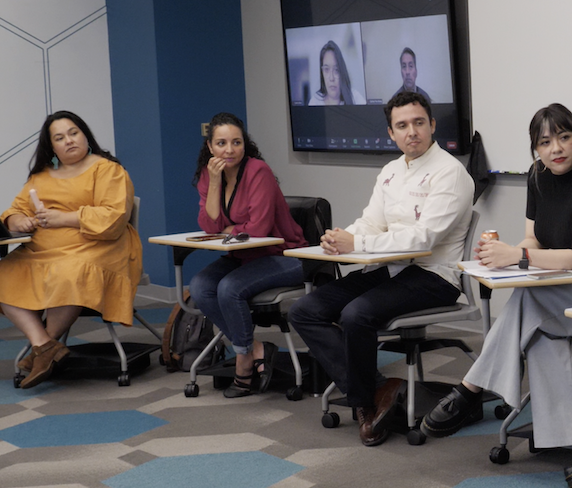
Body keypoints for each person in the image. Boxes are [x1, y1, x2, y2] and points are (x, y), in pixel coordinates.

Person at [421, 103, 572, 487]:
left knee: (529, 302)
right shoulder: (537, 177)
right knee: (542, 333)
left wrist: (520, 257)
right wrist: (506, 256)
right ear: (535, 150)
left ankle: (471, 389)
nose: (556, 148)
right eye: (545, 142)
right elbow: (535, 238)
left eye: (565, 137)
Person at [289, 91, 474, 446]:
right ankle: (378, 388)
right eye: (402, 126)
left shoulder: (451, 173)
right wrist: (343, 237)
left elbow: (424, 239)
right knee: (305, 310)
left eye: (419, 123)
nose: (412, 132)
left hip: (434, 275)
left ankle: (363, 405)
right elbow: (371, 222)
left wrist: (358, 245)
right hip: (390, 267)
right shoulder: (391, 171)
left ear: (432, 125)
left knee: (356, 315)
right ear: (391, 133)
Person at [0, 111, 142, 389]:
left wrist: (63, 218)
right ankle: (44, 346)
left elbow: (113, 218)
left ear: (85, 135)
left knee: (71, 271)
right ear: (51, 147)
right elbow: (15, 211)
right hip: (42, 250)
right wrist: (20, 220)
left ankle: (44, 348)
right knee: (2, 274)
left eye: (73, 133)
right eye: (59, 138)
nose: (69, 141)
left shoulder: (108, 170)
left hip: (98, 247)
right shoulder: (41, 177)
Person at [189, 112, 308, 398]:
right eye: (221, 143)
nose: (229, 150)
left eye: (236, 142)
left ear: (245, 144)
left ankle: (242, 358)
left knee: (230, 288)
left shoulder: (258, 171)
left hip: (286, 255)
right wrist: (216, 182)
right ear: (210, 147)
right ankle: (254, 348)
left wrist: (229, 227)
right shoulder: (209, 175)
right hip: (244, 256)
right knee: (200, 287)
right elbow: (208, 225)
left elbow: (259, 229)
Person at [307, 40, 365, 106]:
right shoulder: (315, 101)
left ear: (342, 72)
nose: (331, 78)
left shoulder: (355, 98)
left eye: (336, 70)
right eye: (326, 69)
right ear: (322, 73)